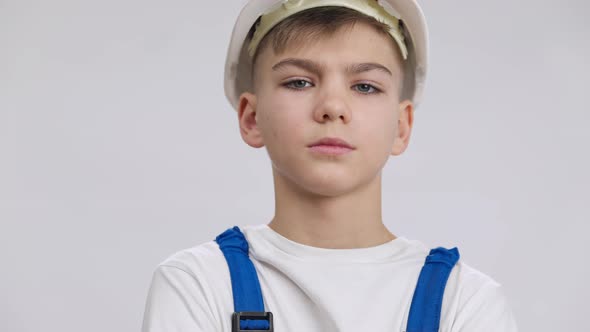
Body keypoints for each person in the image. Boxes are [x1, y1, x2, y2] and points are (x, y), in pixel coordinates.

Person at [141, 0, 519, 331]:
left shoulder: (464, 301)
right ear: (252, 118)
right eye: (299, 82)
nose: (333, 106)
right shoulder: (200, 284)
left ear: (401, 127)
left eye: (365, 86)